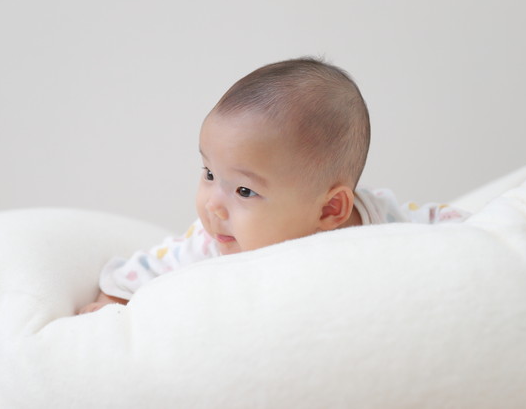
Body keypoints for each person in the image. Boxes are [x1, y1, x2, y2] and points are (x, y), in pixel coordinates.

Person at [78, 57, 468, 314]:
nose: (213, 204)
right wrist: (110, 304)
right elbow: (133, 276)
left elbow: (453, 227)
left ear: (330, 209)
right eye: (209, 174)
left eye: (244, 191)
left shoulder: (381, 221)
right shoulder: (211, 244)